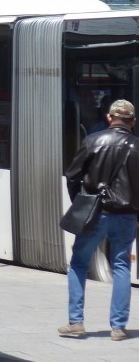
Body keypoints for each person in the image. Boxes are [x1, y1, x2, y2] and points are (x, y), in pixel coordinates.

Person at [60, 99, 139, 341]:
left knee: (79, 264)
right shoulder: (138, 146)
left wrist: (81, 203)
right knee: (122, 266)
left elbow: (72, 175)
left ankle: (76, 323)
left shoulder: (92, 141)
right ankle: (118, 327)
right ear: (132, 122)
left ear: (109, 118)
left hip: (95, 213)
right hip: (127, 215)